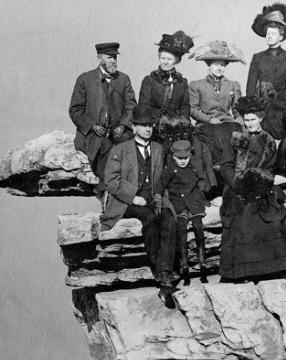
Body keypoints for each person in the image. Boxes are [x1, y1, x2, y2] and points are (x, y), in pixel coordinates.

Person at [100, 104, 177, 299]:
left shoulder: (159, 148)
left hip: (155, 198)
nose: (148, 129)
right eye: (143, 125)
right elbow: (111, 180)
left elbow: (163, 178)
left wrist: (159, 196)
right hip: (127, 202)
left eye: (150, 125)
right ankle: (159, 271)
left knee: (168, 218)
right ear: (134, 127)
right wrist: (133, 197)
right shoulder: (120, 149)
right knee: (150, 219)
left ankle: (166, 272)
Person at [218, 96, 286, 282]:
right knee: (243, 220)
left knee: (273, 221)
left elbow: (271, 168)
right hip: (237, 189)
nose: (250, 124)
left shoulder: (268, 141)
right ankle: (243, 272)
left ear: (260, 118)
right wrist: (237, 183)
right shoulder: (236, 138)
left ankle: (274, 269)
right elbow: (225, 166)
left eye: (253, 119)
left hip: (260, 188)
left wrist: (260, 181)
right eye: (247, 120)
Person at [69, 42, 137, 198]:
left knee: (130, 149)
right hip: (92, 134)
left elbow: (132, 107)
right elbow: (75, 110)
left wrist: (123, 125)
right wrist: (92, 126)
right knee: (104, 149)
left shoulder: (123, 79)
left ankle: (129, 193)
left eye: (115, 57)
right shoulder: (85, 79)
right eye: (109, 57)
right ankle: (106, 193)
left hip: (118, 132)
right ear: (99, 57)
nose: (113, 61)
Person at [188, 40, 245, 192]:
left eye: (222, 64)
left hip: (227, 123)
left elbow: (237, 108)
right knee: (218, 134)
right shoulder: (196, 85)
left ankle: (231, 172)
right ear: (209, 65)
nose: (219, 68)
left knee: (236, 131)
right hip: (206, 124)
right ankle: (223, 172)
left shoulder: (233, 85)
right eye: (216, 64)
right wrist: (208, 119)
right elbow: (192, 109)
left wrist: (239, 118)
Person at [154, 140, 209, 285]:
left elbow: (202, 181)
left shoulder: (194, 168)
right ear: (173, 156)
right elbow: (160, 185)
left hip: (194, 202)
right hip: (179, 204)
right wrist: (158, 198)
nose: (183, 161)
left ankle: (203, 264)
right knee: (182, 230)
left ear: (190, 155)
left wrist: (201, 194)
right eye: (180, 158)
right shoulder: (169, 170)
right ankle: (185, 268)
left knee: (198, 227)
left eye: (186, 158)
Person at [139, 31, 194, 154]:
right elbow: (144, 105)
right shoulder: (149, 80)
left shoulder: (182, 82)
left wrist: (184, 124)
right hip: (154, 127)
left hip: (176, 128)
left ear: (176, 61)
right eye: (163, 58)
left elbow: (185, 106)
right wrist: (152, 124)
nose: (165, 62)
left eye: (169, 59)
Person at [247, 3, 286, 106]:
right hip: (261, 107)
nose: (269, 37)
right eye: (268, 34)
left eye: (273, 34)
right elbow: (250, 88)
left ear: (281, 36)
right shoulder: (257, 58)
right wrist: (252, 108)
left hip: (283, 108)